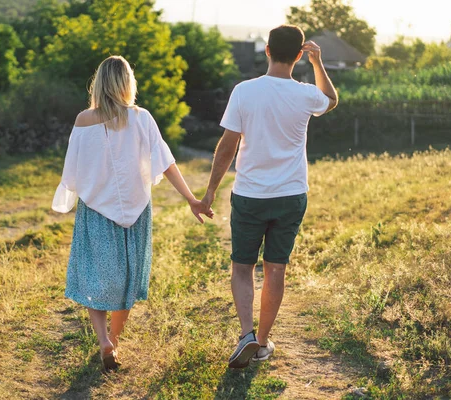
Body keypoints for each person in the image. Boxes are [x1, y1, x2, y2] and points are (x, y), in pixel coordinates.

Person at [52, 55, 213, 371]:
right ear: (128, 83)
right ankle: (115, 339)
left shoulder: (84, 120)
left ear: (99, 83)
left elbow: (72, 171)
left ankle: (103, 342)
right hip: (136, 213)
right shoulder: (141, 118)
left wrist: (76, 193)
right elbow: (165, 162)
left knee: (96, 277)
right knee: (126, 280)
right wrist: (192, 199)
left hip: (96, 211)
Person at [200, 25, 338, 368]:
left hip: (249, 195)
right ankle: (261, 342)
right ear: (297, 55)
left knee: (242, 266)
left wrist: (211, 190)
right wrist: (318, 62)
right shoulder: (306, 93)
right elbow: (331, 100)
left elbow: (227, 146)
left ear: (266, 50)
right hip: (291, 195)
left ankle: (246, 333)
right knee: (276, 269)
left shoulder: (244, 91)